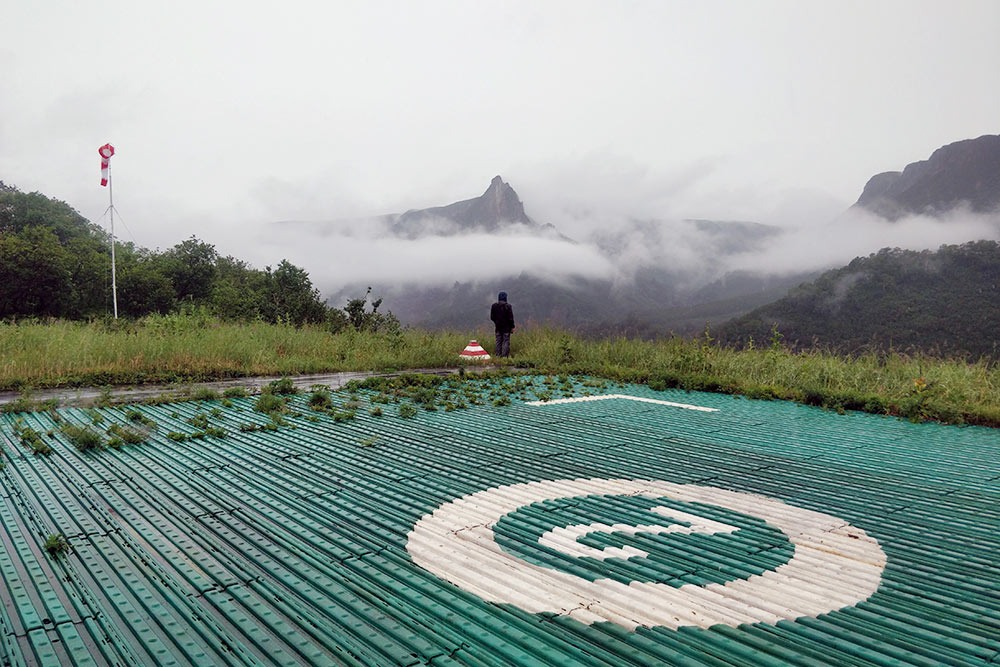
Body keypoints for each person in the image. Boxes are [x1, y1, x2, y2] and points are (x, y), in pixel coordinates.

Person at [490, 291, 515, 358]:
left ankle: (498, 356)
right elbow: (510, 318)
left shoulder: (494, 306)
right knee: (506, 342)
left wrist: (497, 322)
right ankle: (505, 356)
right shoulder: (508, 306)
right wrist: (512, 327)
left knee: (498, 342)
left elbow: (492, 317)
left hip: (498, 327)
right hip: (507, 328)